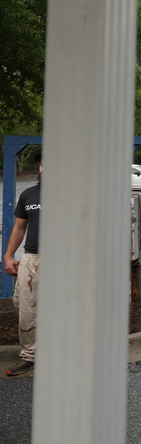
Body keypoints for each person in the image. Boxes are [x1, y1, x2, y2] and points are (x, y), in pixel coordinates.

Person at [4, 153, 42, 377]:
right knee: (27, 310)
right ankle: (30, 356)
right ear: (40, 167)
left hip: (66, 260)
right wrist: (9, 255)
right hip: (32, 259)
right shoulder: (28, 195)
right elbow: (19, 228)